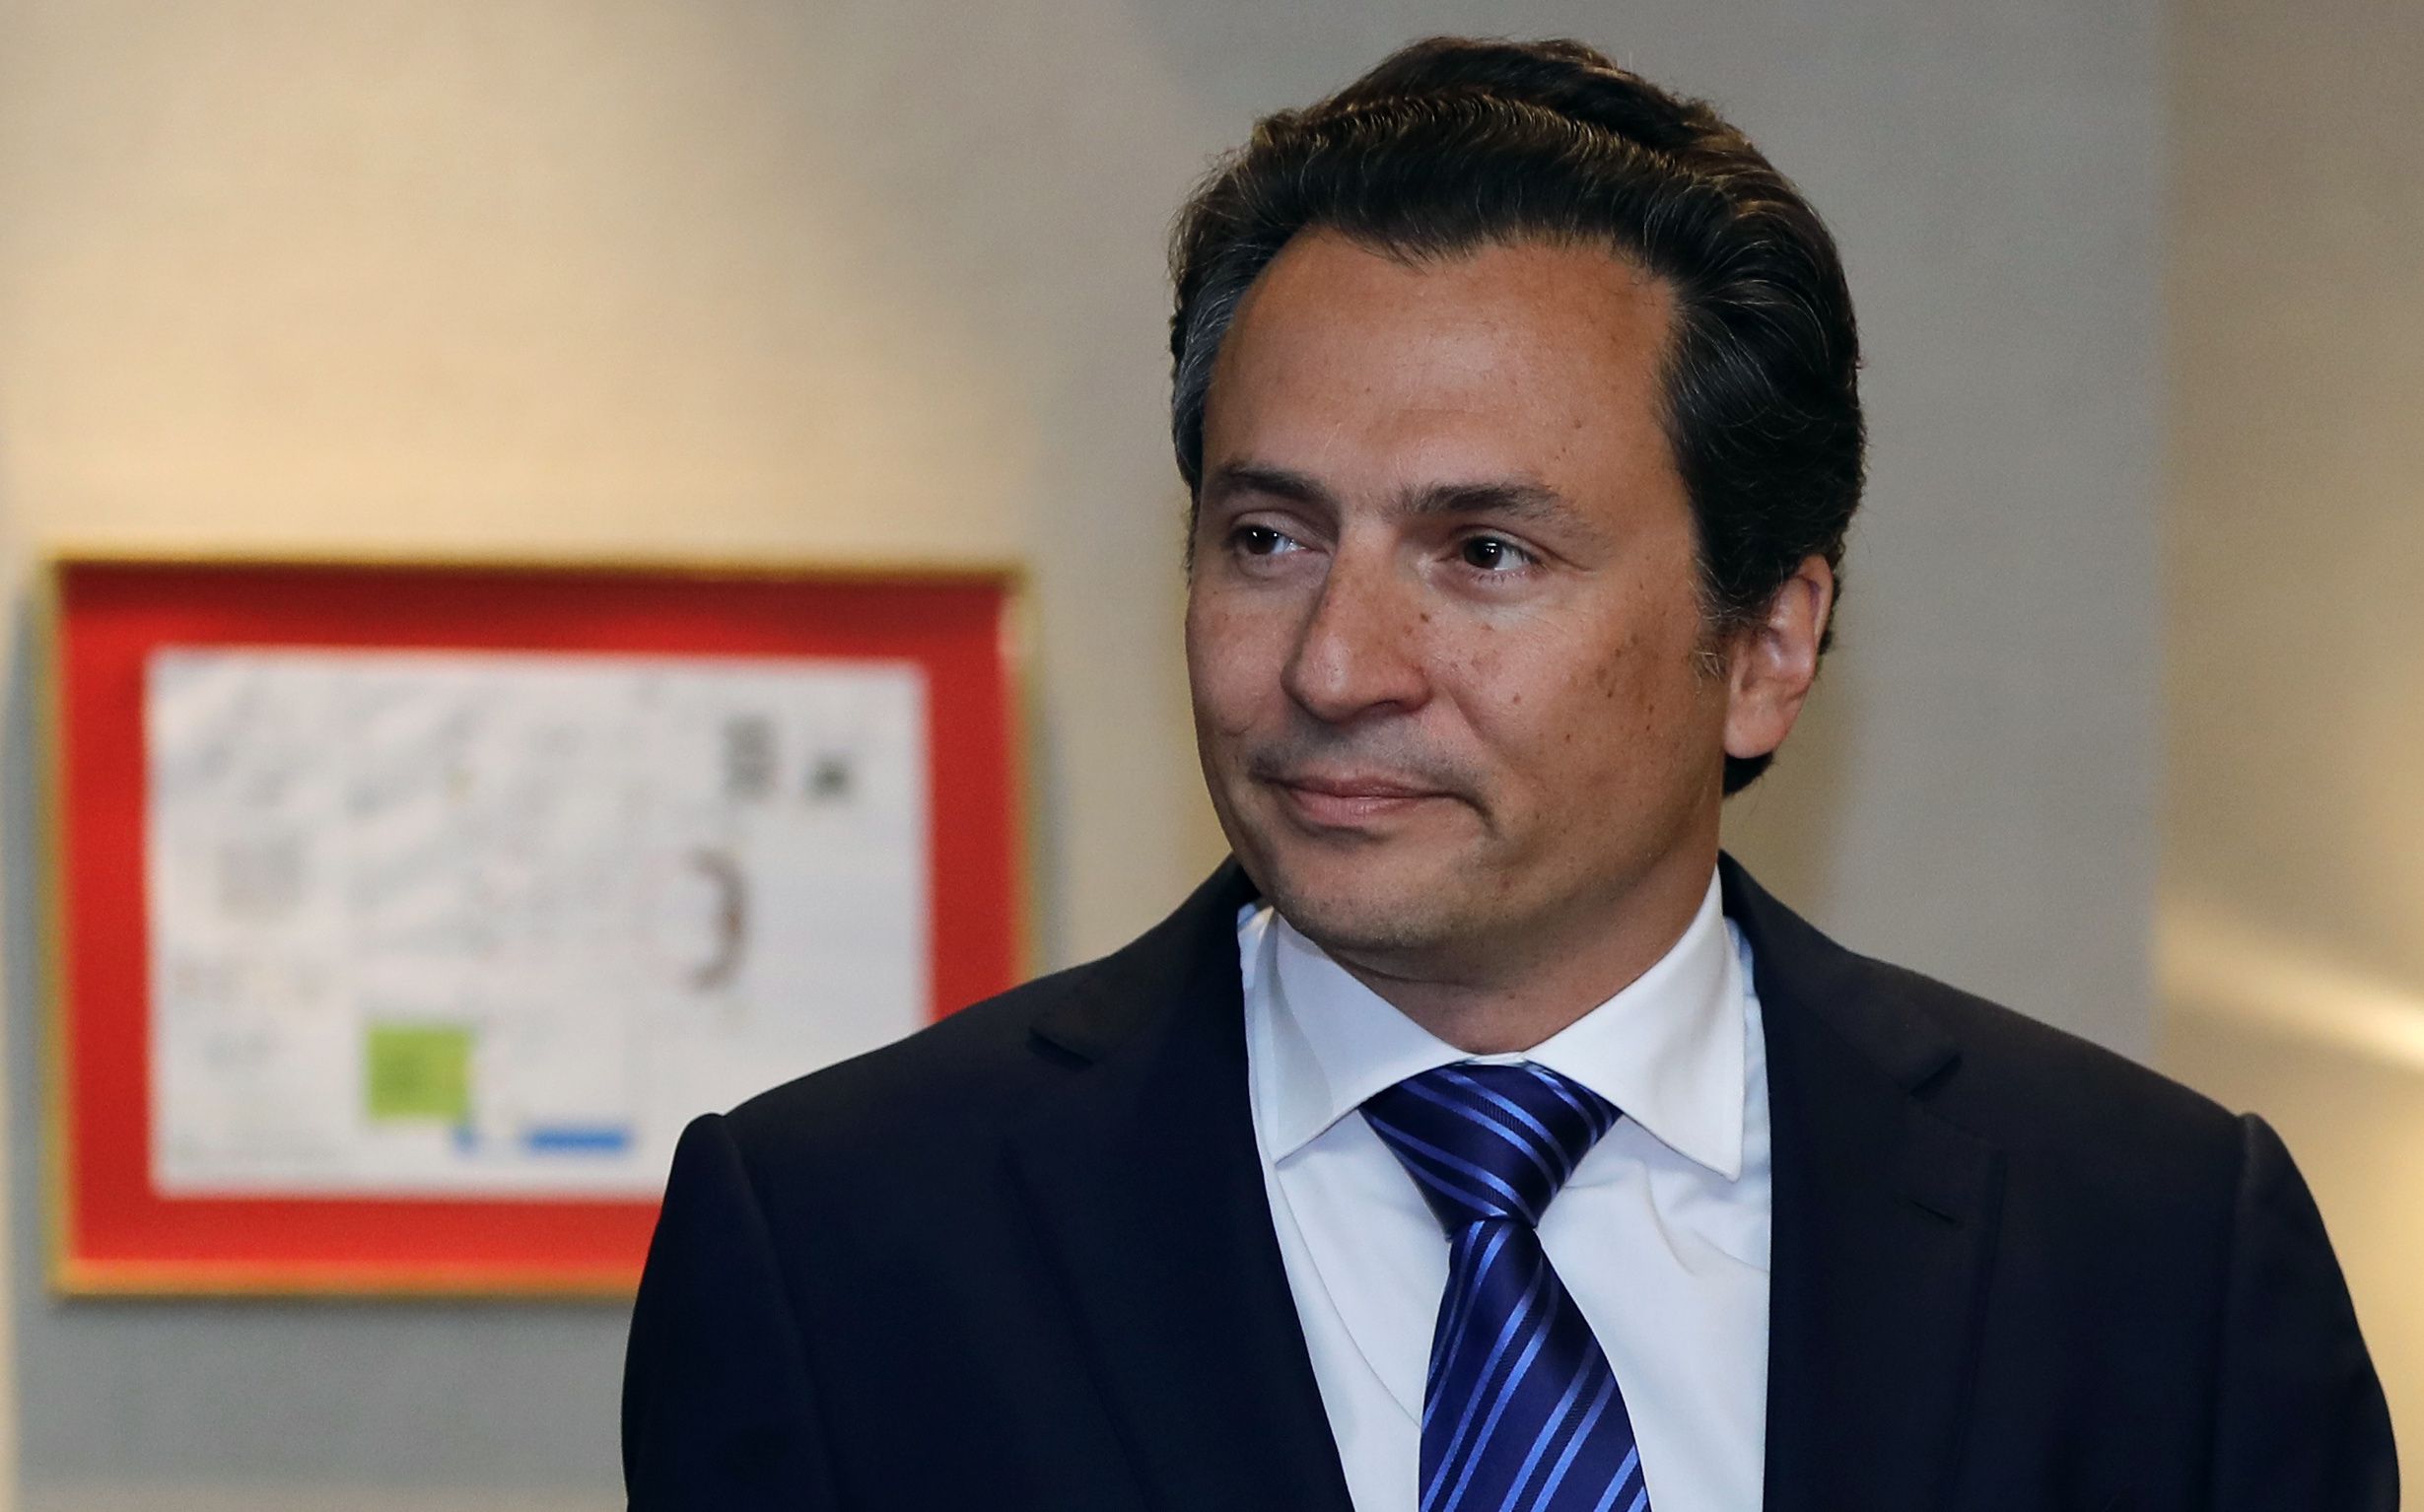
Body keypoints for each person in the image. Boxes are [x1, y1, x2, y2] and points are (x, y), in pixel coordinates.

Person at [620, 35, 2396, 1512]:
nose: (1333, 665)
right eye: (1266, 537)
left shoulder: (2152, 1251)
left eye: (1483, 554)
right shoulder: (842, 1247)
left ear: (1766, 645)